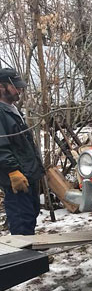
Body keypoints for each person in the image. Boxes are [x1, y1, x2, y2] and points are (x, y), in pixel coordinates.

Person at [0, 68, 44, 235]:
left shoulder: (11, 109)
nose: (20, 90)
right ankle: (24, 257)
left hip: (27, 174)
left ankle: (29, 251)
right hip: (16, 177)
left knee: (30, 214)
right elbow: (1, 146)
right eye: (15, 87)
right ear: (1, 87)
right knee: (21, 219)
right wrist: (13, 172)